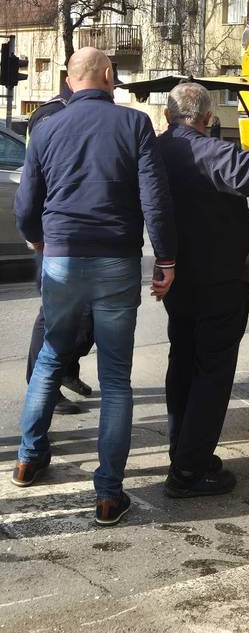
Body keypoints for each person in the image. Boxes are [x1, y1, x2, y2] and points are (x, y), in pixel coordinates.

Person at [11, 47, 177, 528]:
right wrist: (165, 259)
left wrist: (38, 239)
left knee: (50, 357)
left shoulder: (45, 128)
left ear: (69, 80)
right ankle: (107, 495)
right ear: (108, 76)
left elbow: (27, 201)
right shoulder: (134, 125)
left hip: (61, 259)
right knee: (116, 379)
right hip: (115, 260)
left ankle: (27, 460)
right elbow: (155, 199)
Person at [157, 80, 249, 499]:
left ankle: (184, 452)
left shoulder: (158, 150)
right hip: (218, 282)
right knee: (211, 373)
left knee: (182, 364)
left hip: (179, 280)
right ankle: (189, 472)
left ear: (167, 115)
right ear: (207, 118)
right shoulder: (209, 152)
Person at [26, 79, 94, 415]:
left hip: (84, 231)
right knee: (55, 314)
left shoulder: (84, 112)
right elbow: (37, 180)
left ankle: (66, 369)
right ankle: (43, 387)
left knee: (88, 313)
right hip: (55, 233)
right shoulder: (52, 115)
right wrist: (34, 230)